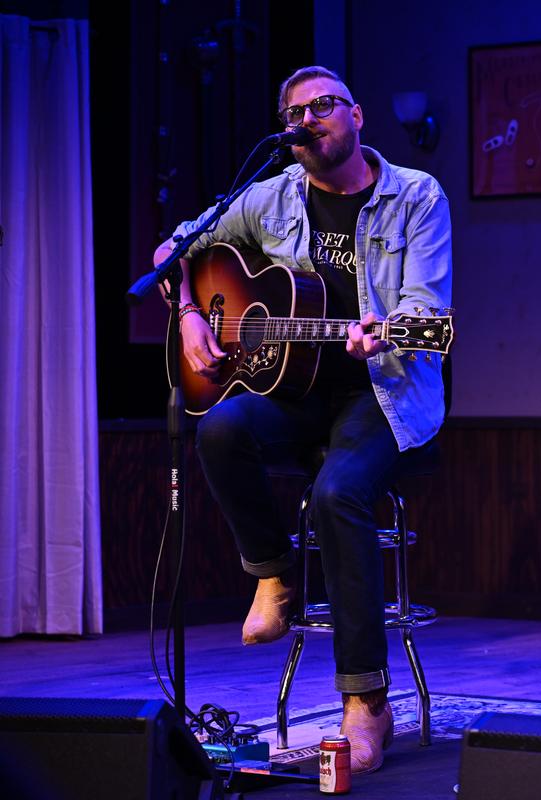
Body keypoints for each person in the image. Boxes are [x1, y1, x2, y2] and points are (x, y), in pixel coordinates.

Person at [153, 66, 451, 774]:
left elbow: (429, 312)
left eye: (322, 105)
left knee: (337, 494)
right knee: (220, 428)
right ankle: (274, 574)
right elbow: (174, 249)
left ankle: (365, 705)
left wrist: (385, 331)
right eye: (295, 112)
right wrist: (191, 315)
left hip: (385, 391)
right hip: (298, 389)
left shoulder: (416, 196)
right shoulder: (270, 198)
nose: (308, 118)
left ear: (357, 116)